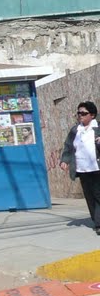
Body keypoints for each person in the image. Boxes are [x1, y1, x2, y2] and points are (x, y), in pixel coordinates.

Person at [59, 100, 100, 236]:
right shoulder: (75, 130)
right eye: (78, 113)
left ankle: (99, 224)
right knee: (89, 196)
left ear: (92, 115)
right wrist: (65, 160)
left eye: (84, 113)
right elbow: (68, 146)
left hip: (97, 168)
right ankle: (96, 221)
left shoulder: (98, 128)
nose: (80, 115)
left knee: (98, 195)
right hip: (82, 169)